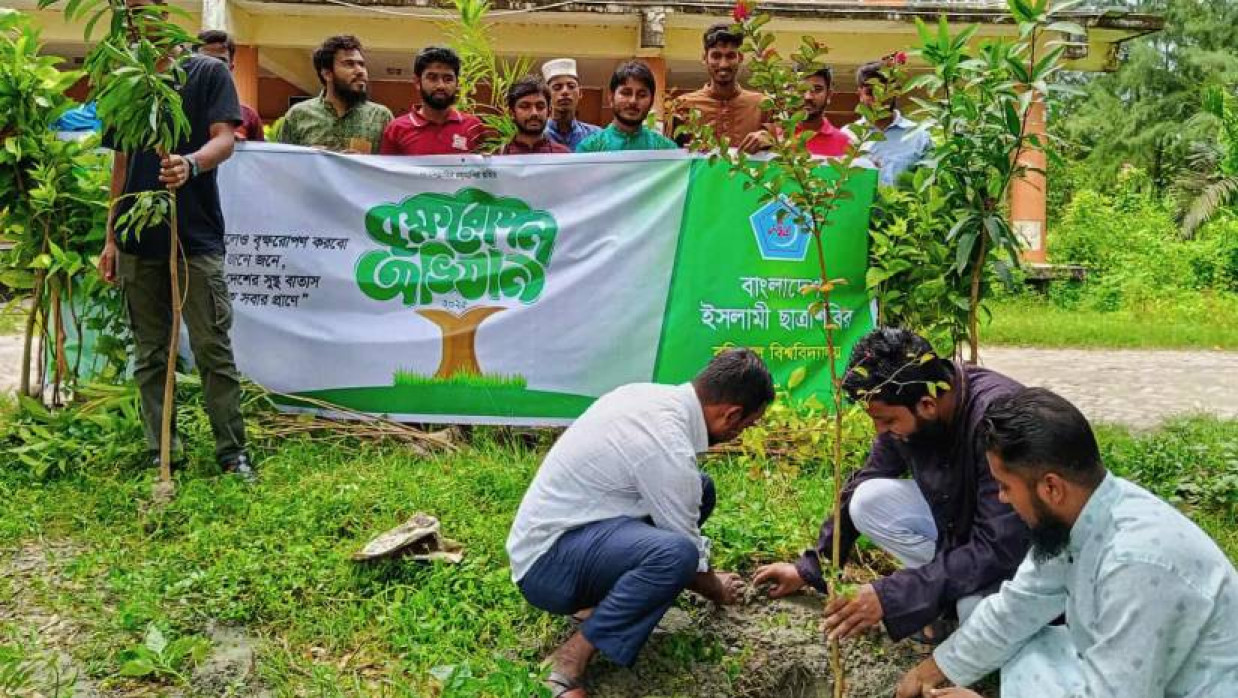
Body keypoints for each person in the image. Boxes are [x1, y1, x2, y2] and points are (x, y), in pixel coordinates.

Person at [896, 388, 1238, 698]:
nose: (1001, 498)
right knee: (1025, 643)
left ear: (1051, 488)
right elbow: (1018, 606)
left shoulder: (1136, 563)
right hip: (1133, 669)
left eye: (1005, 486)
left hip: (1189, 687)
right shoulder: (1080, 516)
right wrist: (930, 670)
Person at [508, 349, 775, 698]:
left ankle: (598, 605)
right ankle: (570, 659)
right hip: (548, 567)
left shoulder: (649, 398)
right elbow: (687, 551)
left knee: (701, 489)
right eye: (745, 426)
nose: (740, 434)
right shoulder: (667, 443)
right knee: (675, 555)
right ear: (732, 414)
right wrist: (717, 589)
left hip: (569, 536)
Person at [753, 328, 1029, 644]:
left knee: (975, 614)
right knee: (867, 499)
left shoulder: (997, 421)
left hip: (1021, 550)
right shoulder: (910, 410)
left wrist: (892, 596)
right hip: (964, 529)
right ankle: (943, 598)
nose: (881, 431)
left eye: (887, 421)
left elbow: (999, 546)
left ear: (927, 405)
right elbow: (866, 478)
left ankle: (952, 605)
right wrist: (810, 568)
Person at [97, 0, 254, 480]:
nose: (139, 21)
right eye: (130, 13)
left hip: (196, 237)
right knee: (150, 353)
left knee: (212, 348)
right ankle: (162, 448)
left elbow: (224, 137)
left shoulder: (206, 72)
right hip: (138, 241)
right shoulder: (125, 84)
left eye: (148, 9)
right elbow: (121, 167)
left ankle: (232, 452)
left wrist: (191, 164)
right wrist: (110, 239)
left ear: (166, 14)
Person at [279, 35, 392, 153]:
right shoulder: (298, 115)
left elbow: (392, 167)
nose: (360, 71)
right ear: (327, 74)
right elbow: (283, 163)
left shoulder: (381, 117)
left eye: (361, 64)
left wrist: (363, 163)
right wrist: (312, 158)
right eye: (349, 64)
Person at [669, 23, 770, 153]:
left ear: (740, 58)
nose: (723, 64)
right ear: (705, 58)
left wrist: (768, 138)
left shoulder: (762, 106)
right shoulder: (683, 106)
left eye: (730, 56)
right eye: (716, 56)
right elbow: (670, 161)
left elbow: (785, 155)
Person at [380, 46, 485, 156]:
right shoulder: (396, 129)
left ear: (457, 83)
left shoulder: (474, 126)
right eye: (432, 78)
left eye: (448, 79)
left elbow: (484, 170)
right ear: (417, 82)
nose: (441, 85)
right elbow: (388, 172)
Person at [854, 59, 931, 185]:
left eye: (885, 92)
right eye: (870, 93)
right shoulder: (847, 136)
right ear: (860, 95)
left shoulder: (919, 136)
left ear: (897, 92)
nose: (878, 99)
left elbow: (928, 187)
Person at [575, 62, 678, 153]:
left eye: (642, 95)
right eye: (626, 93)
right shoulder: (590, 148)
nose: (633, 101)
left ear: (652, 101)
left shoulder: (665, 150)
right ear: (611, 98)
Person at [195, 29, 264, 141]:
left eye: (220, 62)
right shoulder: (175, 110)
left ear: (230, 68)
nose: (213, 67)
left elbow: (258, 156)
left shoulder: (248, 116)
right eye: (205, 60)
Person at [499, 77, 570, 155]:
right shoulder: (500, 156)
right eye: (525, 106)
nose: (534, 113)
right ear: (511, 113)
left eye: (540, 106)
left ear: (549, 112)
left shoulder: (562, 155)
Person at [541, 58, 601, 150]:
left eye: (571, 86)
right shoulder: (537, 136)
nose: (565, 91)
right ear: (547, 95)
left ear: (580, 93)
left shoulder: (596, 135)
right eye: (557, 87)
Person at [798, 66, 852, 157]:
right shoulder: (776, 139)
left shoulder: (845, 145)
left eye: (817, 89)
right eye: (801, 90)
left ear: (829, 95)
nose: (808, 97)